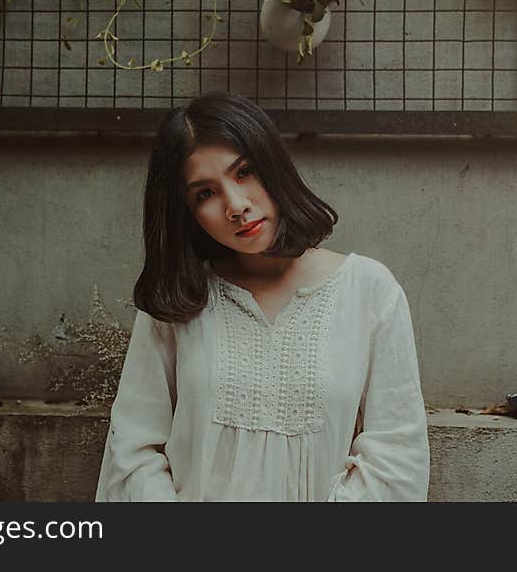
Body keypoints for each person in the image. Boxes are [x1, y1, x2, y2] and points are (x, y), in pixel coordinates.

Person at [95, 92, 429, 502]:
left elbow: (398, 457)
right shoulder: (178, 301)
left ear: (273, 164)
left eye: (244, 171)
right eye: (205, 193)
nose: (236, 205)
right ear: (187, 213)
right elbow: (133, 451)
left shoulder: (369, 291)